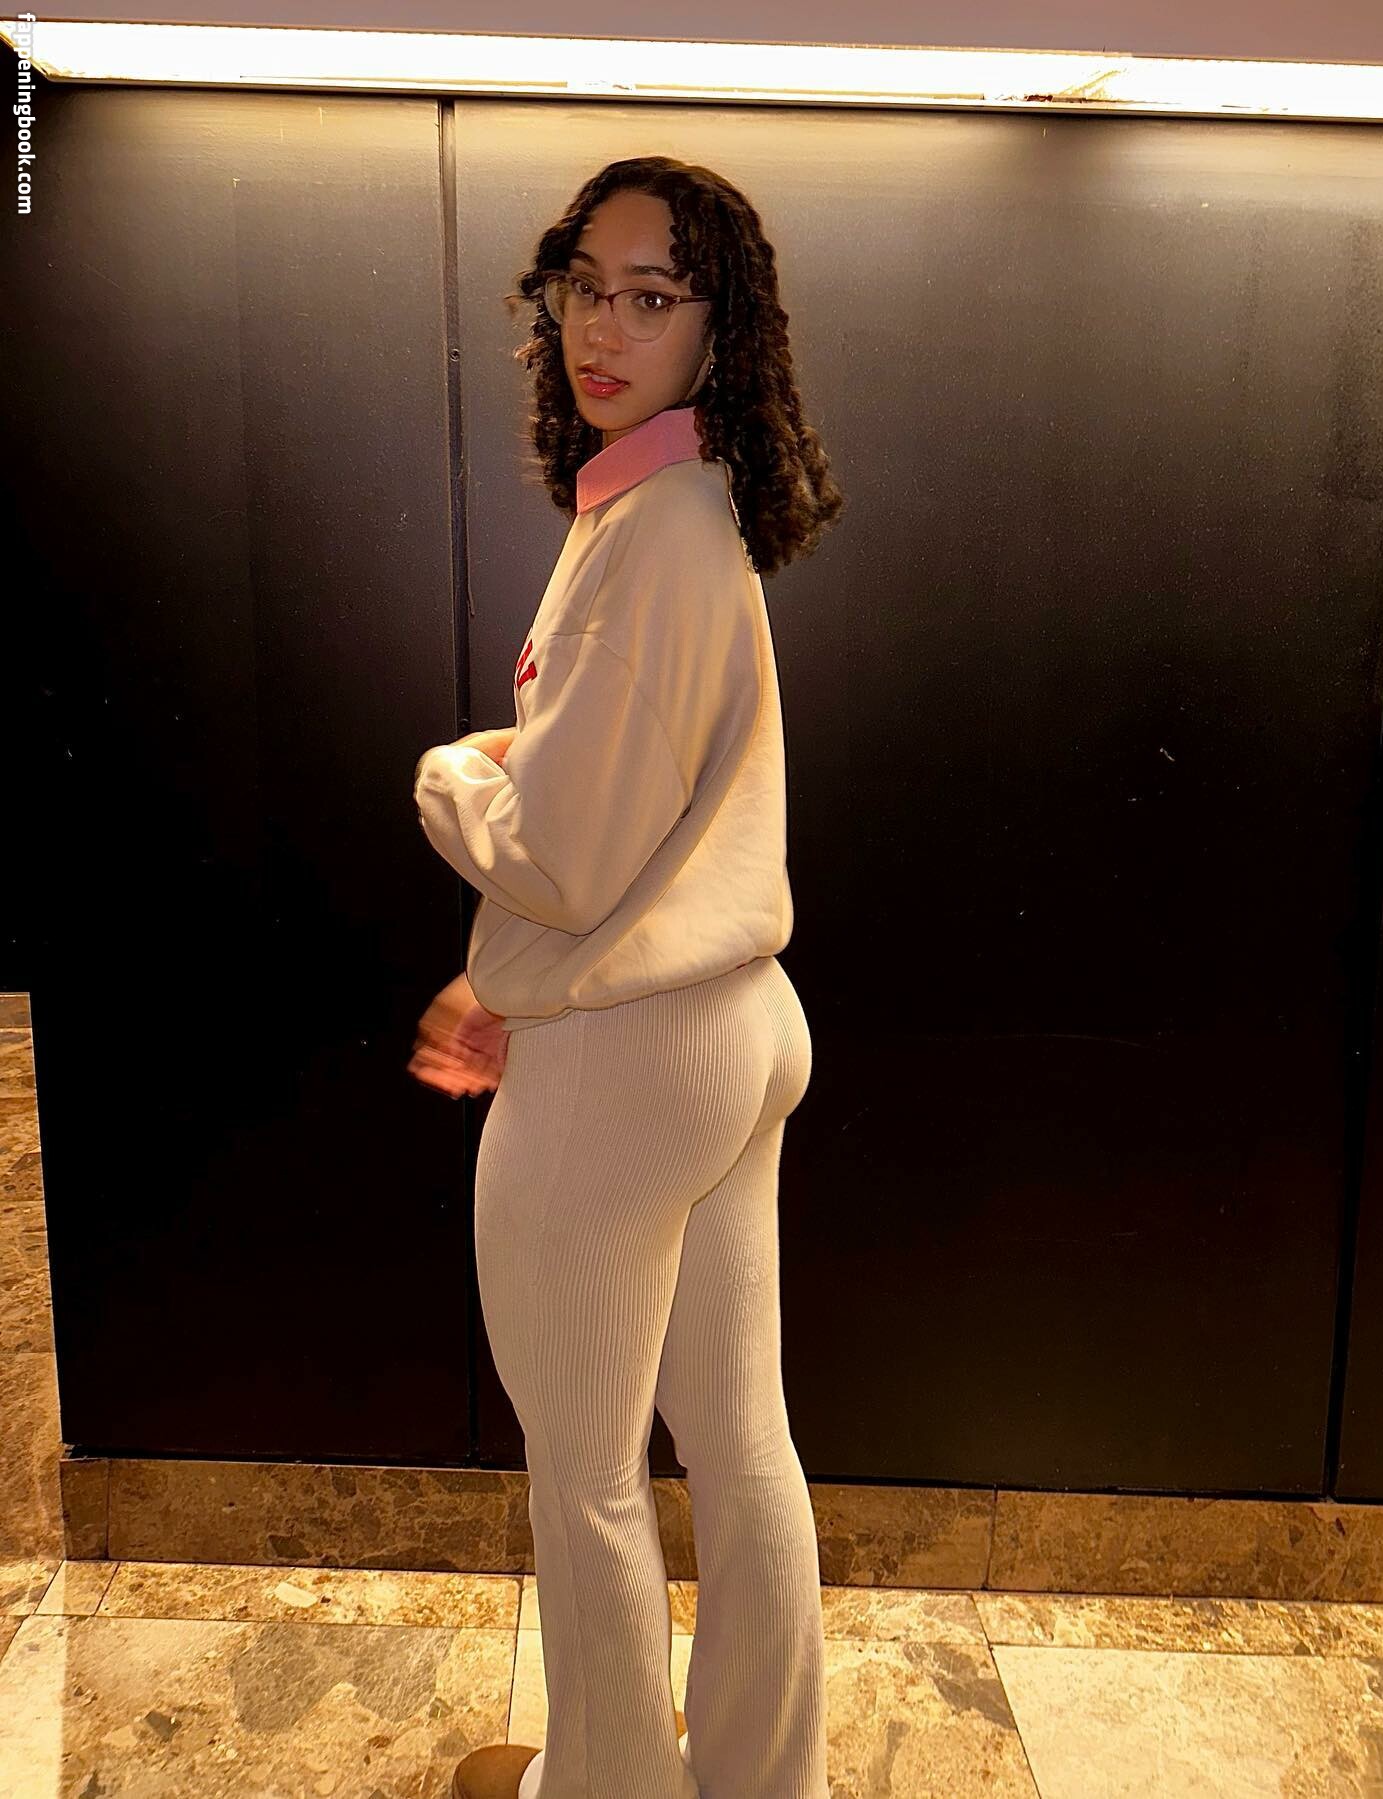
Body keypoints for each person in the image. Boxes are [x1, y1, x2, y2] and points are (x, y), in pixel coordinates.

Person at [411, 154, 843, 1799]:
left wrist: (449, 777)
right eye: (583, 287)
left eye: (651, 297)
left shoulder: (648, 532)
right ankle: (758, 1781)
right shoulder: (695, 505)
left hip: (633, 1055)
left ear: (719, 329)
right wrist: (509, 956)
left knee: (585, 1471)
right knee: (738, 1441)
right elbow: (631, 795)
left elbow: (568, 856)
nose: (603, 327)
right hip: (735, 1028)